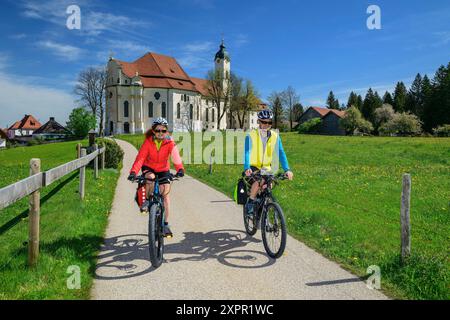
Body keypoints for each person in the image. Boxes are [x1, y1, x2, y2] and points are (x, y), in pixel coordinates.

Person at [127, 117, 184, 237]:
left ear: (166, 131)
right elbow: (140, 158)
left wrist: (180, 169)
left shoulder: (170, 142)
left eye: (163, 131)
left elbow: (175, 157)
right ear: (153, 131)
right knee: (151, 178)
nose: (160, 133)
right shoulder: (148, 142)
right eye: (158, 130)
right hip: (149, 167)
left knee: (166, 194)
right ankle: (147, 201)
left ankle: (166, 224)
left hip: (163, 169)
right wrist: (133, 172)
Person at [243, 110, 294, 216]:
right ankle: (251, 203)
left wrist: (287, 169)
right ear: (259, 122)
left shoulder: (275, 136)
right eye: (264, 122)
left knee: (269, 185)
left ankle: (264, 210)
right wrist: (247, 167)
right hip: (253, 166)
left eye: (269, 122)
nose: (266, 125)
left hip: (266, 167)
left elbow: (281, 153)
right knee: (259, 181)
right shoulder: (251, 135)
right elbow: (247, 152)